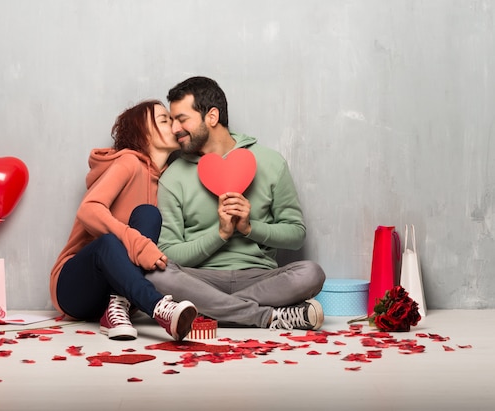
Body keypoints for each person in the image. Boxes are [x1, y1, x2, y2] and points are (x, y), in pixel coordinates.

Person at [145, 77, 326, 331]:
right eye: (172, 120)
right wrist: (220, 234)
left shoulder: (271, 162)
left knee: (311, 273)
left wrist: (250, 228)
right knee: (155, 275)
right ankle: (269, 317)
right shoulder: (173, 177)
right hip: (200, 280)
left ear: (212, 116)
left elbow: (296, 235)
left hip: (260, 277)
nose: (175, 128)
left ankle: (213, 309)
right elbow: (170, 253)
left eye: (182, 119)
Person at [49, 100, 198, 341]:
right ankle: (160, 307)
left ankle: (117, 306)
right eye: (164, 120)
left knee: (149, 214)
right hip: (74, 287)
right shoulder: (128, 162)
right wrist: (136, 243)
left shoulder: (168, 181)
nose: (173, 126)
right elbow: (89, 210)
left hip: (118, 301)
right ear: (143, 130)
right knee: (109, 242)